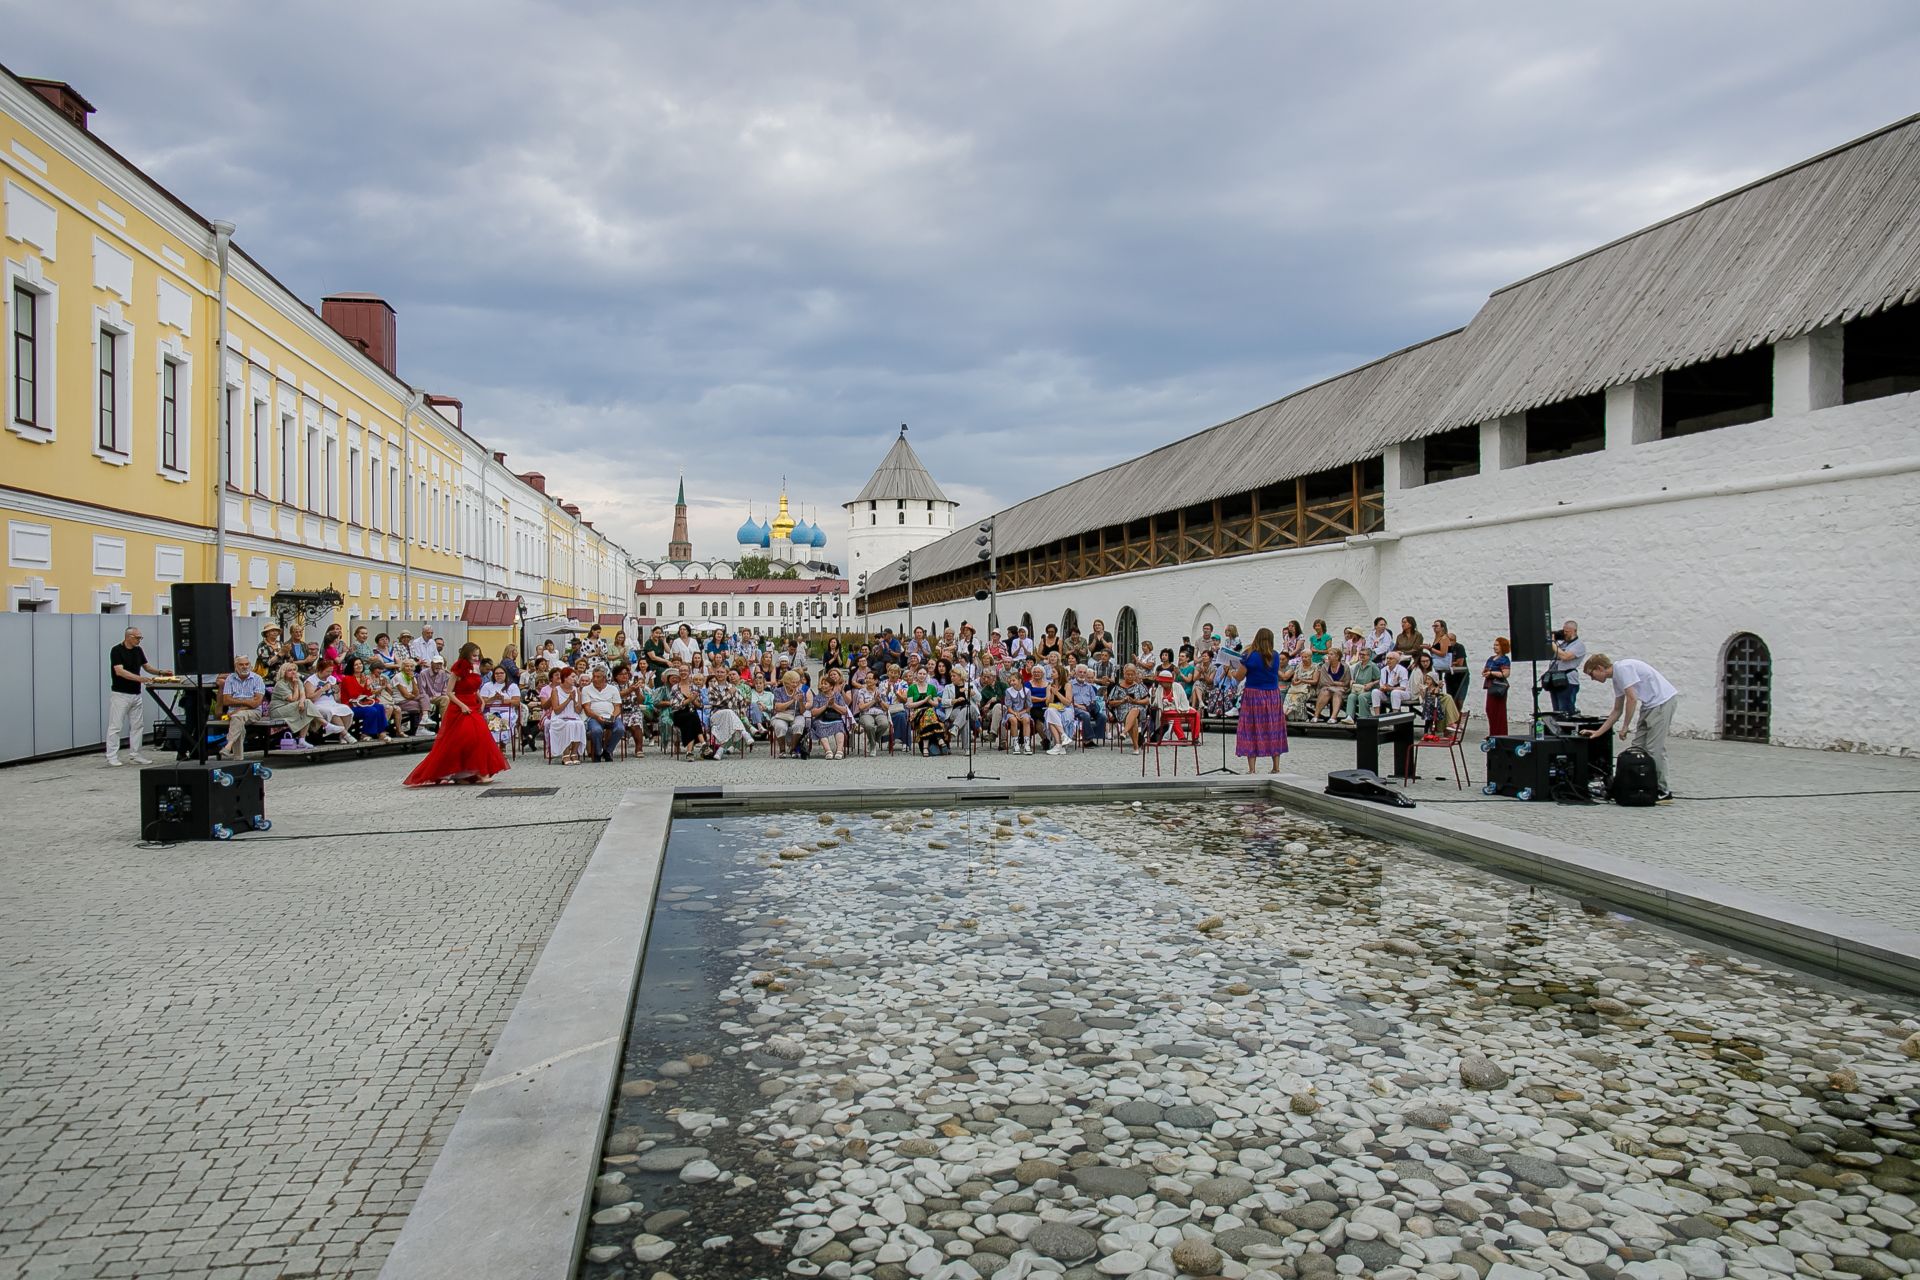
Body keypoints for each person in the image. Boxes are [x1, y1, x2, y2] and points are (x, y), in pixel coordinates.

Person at [404, 642, 508, 786]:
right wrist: (462, 705)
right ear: (466, 654)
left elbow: (474, 687)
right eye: (474, 655)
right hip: (460, 706)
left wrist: (480, 699)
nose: (476, 658)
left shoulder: (476, 668)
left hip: (473, 705)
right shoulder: (457, 669)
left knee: (480, 737)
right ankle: (478, 772)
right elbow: (449, 692)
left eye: (478, 655)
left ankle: (466, 773)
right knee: (467, 738)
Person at [1582, 653, 1679, 799]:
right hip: (1649, 705)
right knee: (1637, 747)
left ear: (1600, 668)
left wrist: (1625, 726)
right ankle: (1637, 784)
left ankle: (1663, 790)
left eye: (1592, 674)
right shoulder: (1617, 678)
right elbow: (1617, 710)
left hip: (1662, 703)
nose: (1592, 679)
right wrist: (1598, 732)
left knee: (1654, 749)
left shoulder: (1623, 669)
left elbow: (1632, 699)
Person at [106, 624, 170, 766]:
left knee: (137, 725)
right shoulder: (116, 651)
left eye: (140, 638)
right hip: (120, 694)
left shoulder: (138, 650)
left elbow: (146, 666)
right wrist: (139, 679)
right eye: (137, 638)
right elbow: (119, 671)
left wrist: (160, 672)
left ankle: (135, 754)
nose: (139, 640)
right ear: (129, 637)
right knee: (115, 725)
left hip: (136, 694)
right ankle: (112, 755)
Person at [1224, 627, 1287, 772]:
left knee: (1250, 729)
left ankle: (1252, 769)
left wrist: (1230, 671)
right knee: (1274, 728)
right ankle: (1276, 767)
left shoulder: (1249, 656)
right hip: (1272, 694)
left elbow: (1239, 677)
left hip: (1254, 695)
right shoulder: (1276, 655)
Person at [217, 654, 268, 759]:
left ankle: (228, 746)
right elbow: (226, 701)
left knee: (237, 717)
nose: (245, 667)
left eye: (247, 664)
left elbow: (256, 703)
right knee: (238, 722)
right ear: (236, 666)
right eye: (241, 664)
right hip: (234, 713)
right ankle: (238, 759)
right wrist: (248, 701)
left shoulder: (257, 679)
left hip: (254, 712)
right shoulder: (230, 679)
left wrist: (238, 705)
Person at [268, 661, 324, 749]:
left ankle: (302, 740)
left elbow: (303, 695)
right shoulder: (280, 684)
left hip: (293, 707)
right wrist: (295, 686)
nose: (293, 672)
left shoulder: (298, 681)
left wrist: (301, 702)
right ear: (284, 673)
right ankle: (325, 724)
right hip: (278, 710)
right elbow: (293, 699)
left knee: (307, 709)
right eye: (290, 670)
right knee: (307, 704)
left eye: (294, 669)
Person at [542, 667, 587, 764]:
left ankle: (574, 753)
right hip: (559, 717)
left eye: (575, 677)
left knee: (580, 724)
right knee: (568, 724)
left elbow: (579, 711)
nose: (575, 679)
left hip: (573, 716)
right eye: (572, 677)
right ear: (565, 678)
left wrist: (575, 701)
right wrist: (568, 700)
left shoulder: (576, 690)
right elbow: (557, 710)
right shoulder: (556, 690)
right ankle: (565, 754)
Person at [579, 666, 622, 763]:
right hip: (594, 717)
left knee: (620, 729)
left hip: (611, 716)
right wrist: (597, 717)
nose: (594, 679)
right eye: (594, 676)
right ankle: (598, 752)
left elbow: (617, 707)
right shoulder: (586, 689)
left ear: (604, 678)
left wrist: (613, 717)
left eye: (598, 677)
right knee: (596, 730)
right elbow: (587, 708)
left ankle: (608, 751)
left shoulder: (613, 689)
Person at [1547, 620, 1586, 717]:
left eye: (1567, 632)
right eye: (1563, 631)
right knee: (1556, 712)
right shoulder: (1563, 644)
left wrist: (1553, 643)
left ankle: (1567, 730)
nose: (1564, 634)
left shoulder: (1579, 645)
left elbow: (1565, 657)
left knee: (1565, 711)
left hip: (1568, 681)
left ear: (1574, 631)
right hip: (1555, 680)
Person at [1482, 638, 1512, 737]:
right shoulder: (1491, 658)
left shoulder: (1504, 659)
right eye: (1494, 645)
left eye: (1497, 645)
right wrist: (1486, 672)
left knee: (1499, 711)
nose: (1495, 647)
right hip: (1490, 685)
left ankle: (1500, 734)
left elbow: (1506, 674)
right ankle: (1493, 732)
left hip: (1498, 686)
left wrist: (1492, 673)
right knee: (1490, 709)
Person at [1345, 650, 1380, 722]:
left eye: (1363, 654)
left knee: (1362, 696)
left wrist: (1371, 684)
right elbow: (1354, 678)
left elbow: (1380, 679)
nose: (1361, 656)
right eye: (1360, 654)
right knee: (1351, 696)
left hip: (1370, 690)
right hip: (1359, 689)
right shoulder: (1358, 665)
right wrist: (1352, 681)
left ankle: (1364, 717)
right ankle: (1349, 717)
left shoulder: (1373, 666)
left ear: (1368, 656)